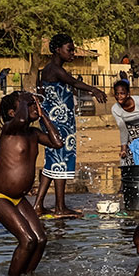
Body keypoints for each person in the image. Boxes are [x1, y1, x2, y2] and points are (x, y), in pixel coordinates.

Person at [0, 91, 62, 276]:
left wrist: (43, 115)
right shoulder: (9, 129)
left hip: (18, 199)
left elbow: (57, 142)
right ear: (13, 112)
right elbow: (20, 121)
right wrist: (25, 101)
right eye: (28, 105)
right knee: (27, 240)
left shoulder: (33, 133)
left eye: (33, 104)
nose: (33, 107)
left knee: (41, 239)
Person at [35, 34, 107, 217]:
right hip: (59, 123)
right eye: (70, 49)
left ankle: (38, 205)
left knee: (51, 163)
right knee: (60, 161)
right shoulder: (55, 70)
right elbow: (74, 83)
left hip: (55, 121)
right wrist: (94, 90)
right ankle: (60, 207)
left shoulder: (49, 70)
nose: (73, 53)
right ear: (58, 50)